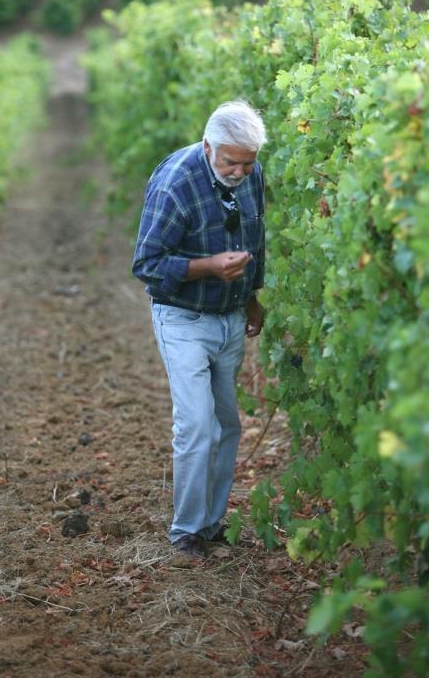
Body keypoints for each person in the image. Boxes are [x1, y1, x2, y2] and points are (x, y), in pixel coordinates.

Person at [132, 100, 267, 558]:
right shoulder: (177, 185)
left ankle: (211, 523)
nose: (240, 171)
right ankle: (186, 532)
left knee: (227, 423)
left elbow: (254, 238)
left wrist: (251, 299)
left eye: (247, 163)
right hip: (182, 317)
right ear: (208, 146)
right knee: (196, 426)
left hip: (229, 317)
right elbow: (147, 265)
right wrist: (208, 266)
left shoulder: (251, 172)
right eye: (230, 161)